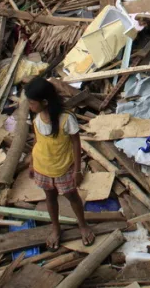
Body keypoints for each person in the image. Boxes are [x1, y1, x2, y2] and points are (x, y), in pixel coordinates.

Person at [25, 76, 96, 249]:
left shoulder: (66, 119)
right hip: (43, 166)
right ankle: (56, 228)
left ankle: (83, 225)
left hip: (63, 168)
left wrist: (77, 171)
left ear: (44, 102)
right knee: (50, 197)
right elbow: (37, 140)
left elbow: (76, 143)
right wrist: (32, 162)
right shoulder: (37, 117)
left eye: (32, 103)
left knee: (72, 196)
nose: (29, 106)